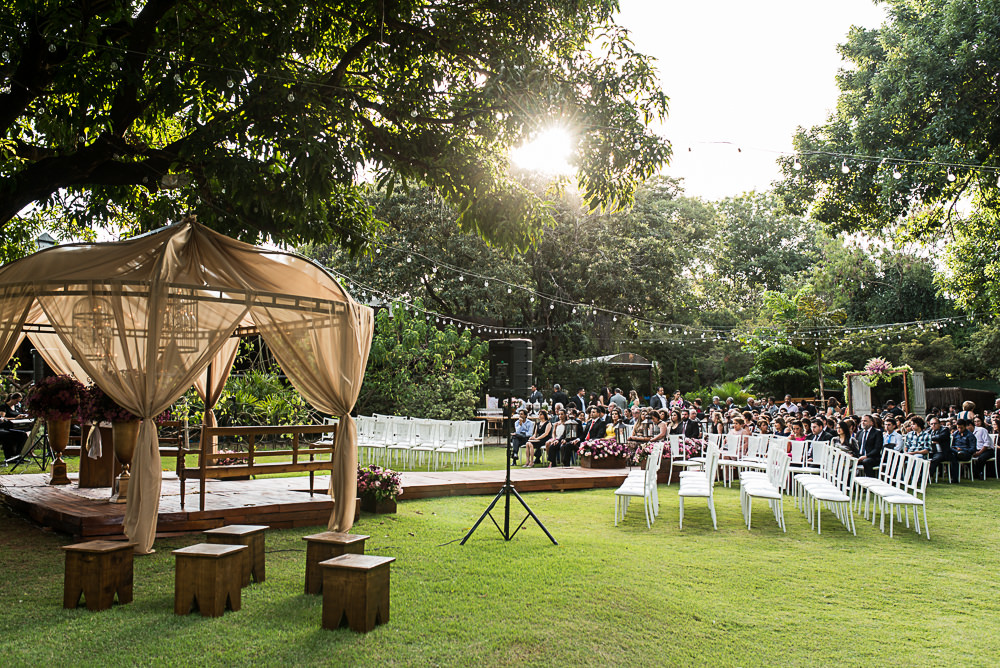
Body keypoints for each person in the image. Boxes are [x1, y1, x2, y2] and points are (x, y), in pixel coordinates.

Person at [927, 416, 958, 484]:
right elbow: (926, 436)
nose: (933, 425)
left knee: (935, 459)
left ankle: (928, 476)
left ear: (939, 424)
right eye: (931, 424)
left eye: (935, 423)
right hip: (932, 451)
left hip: (943, 452)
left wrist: (931, 439)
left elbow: (940, 437)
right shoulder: (929, 430)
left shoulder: (944, 429)